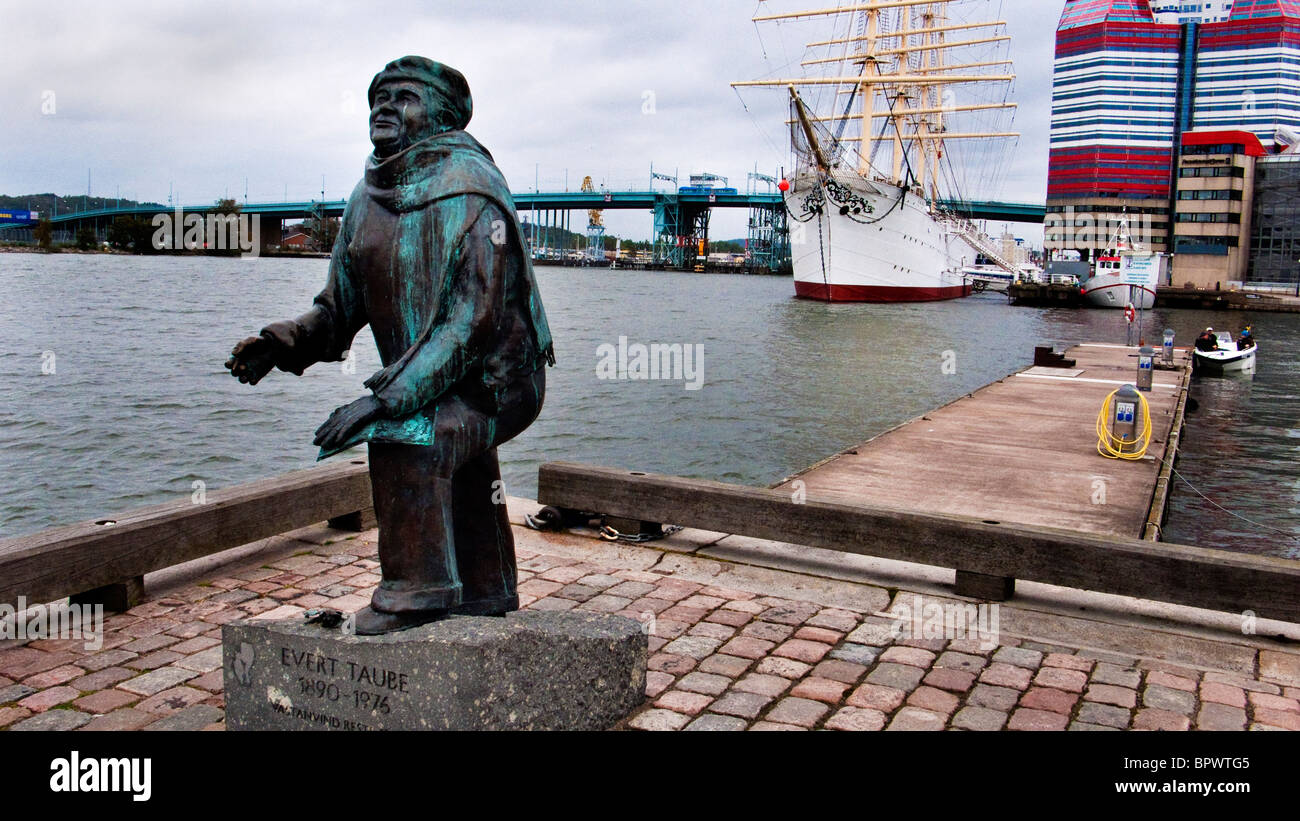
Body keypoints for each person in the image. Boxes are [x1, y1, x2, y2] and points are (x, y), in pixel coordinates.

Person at [225, 56, 554, 634]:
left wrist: (383, 401)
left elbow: (470, 322)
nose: (384, 107)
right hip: (430, 381)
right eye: (378, 97)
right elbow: (337, 310)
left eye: (404, 97)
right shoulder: (364, 199)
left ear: (444, 117)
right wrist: (285, 344)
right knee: (460, 455)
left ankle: (415, 594)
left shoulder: (475, 192)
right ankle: (487, 586)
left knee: (411, 440)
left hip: (500, 383)